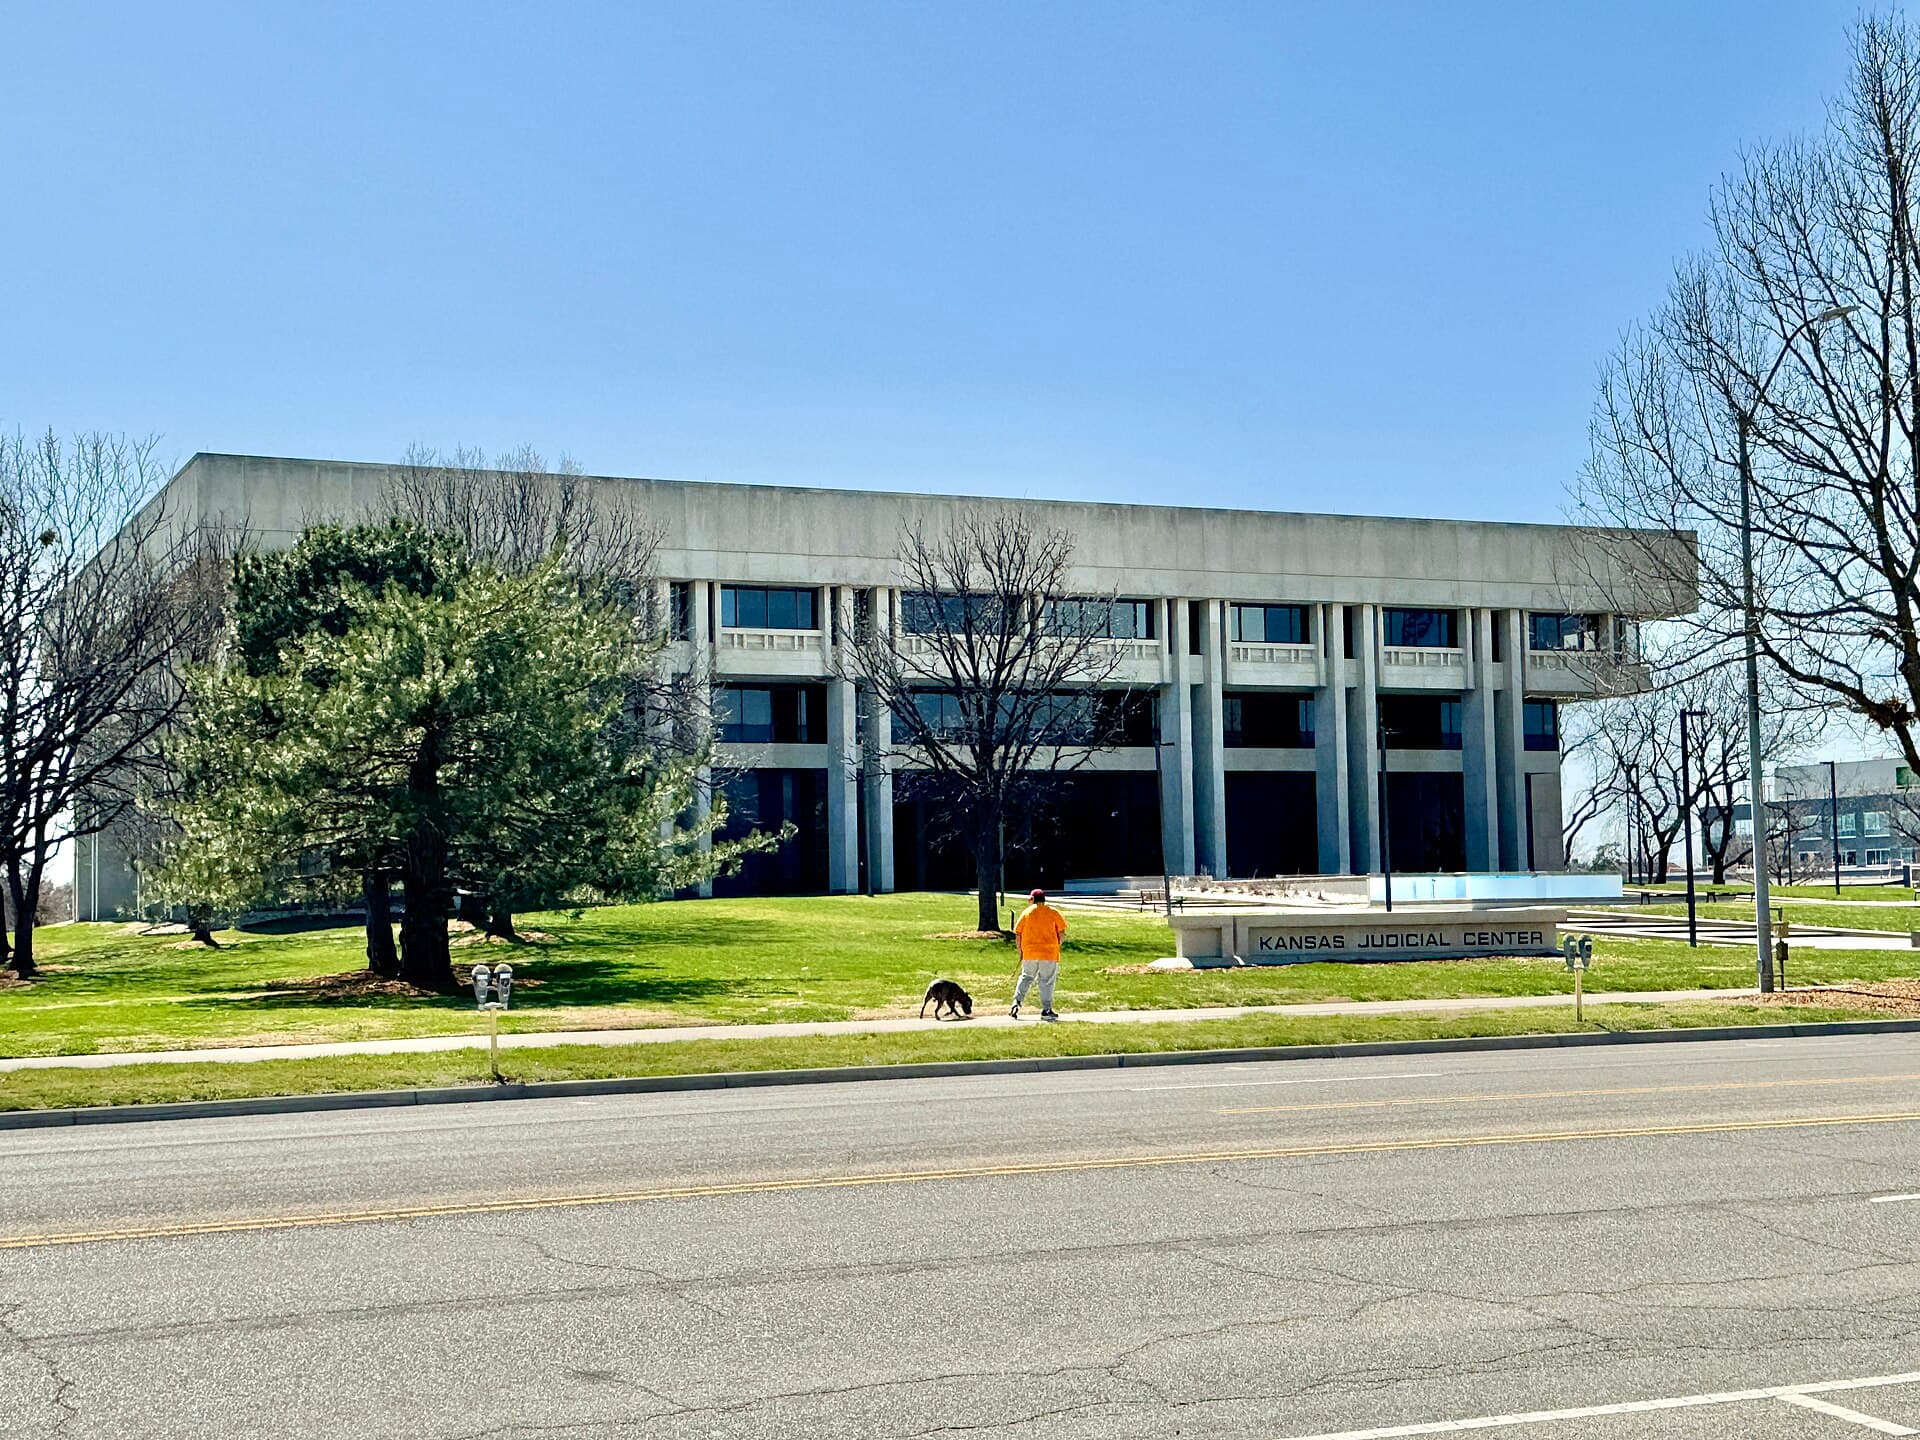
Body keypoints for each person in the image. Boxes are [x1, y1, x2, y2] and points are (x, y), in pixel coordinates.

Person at [1011, 887, 1067, 1021]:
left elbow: (1018, 933)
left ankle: (1016, 1003)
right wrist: (1056, 945)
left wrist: (1021, 951)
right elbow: (1062, 933)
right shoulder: (1053, 912)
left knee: (1026, 977)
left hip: (1030, 952)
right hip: (1049, 953)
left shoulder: (1026, 913)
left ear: (1032, 899)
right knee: (1046, 981)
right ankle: (1046, 1010)